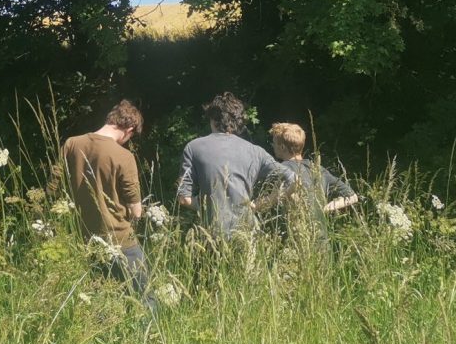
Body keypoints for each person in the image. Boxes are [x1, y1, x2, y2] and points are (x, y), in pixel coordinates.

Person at [59, 100, 154, 310]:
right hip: (121, 239)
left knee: (100, 300)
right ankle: (148, 340)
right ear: (129, 130)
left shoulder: (71, 144)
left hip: (86, 238)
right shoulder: (124, 156)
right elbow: (135, 210)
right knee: (145, 298)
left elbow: (53, 187)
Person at [175, 92, 298, 238]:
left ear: (213, 119)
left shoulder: (193, 148)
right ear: (237, 121)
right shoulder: (256, 152)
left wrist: (206, 206)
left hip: (211, 236)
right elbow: (294, 180)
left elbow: (183, 198)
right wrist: (260, 204)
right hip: (246, 235)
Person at [268, 122, 358, 213]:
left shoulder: (282, 168)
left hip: (295, 225)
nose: (273, 146)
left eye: (274, 143)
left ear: (282, 147)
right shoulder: (318, 169)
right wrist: (324, 210)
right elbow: (352, 197)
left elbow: (270, 201)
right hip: (320, 226)